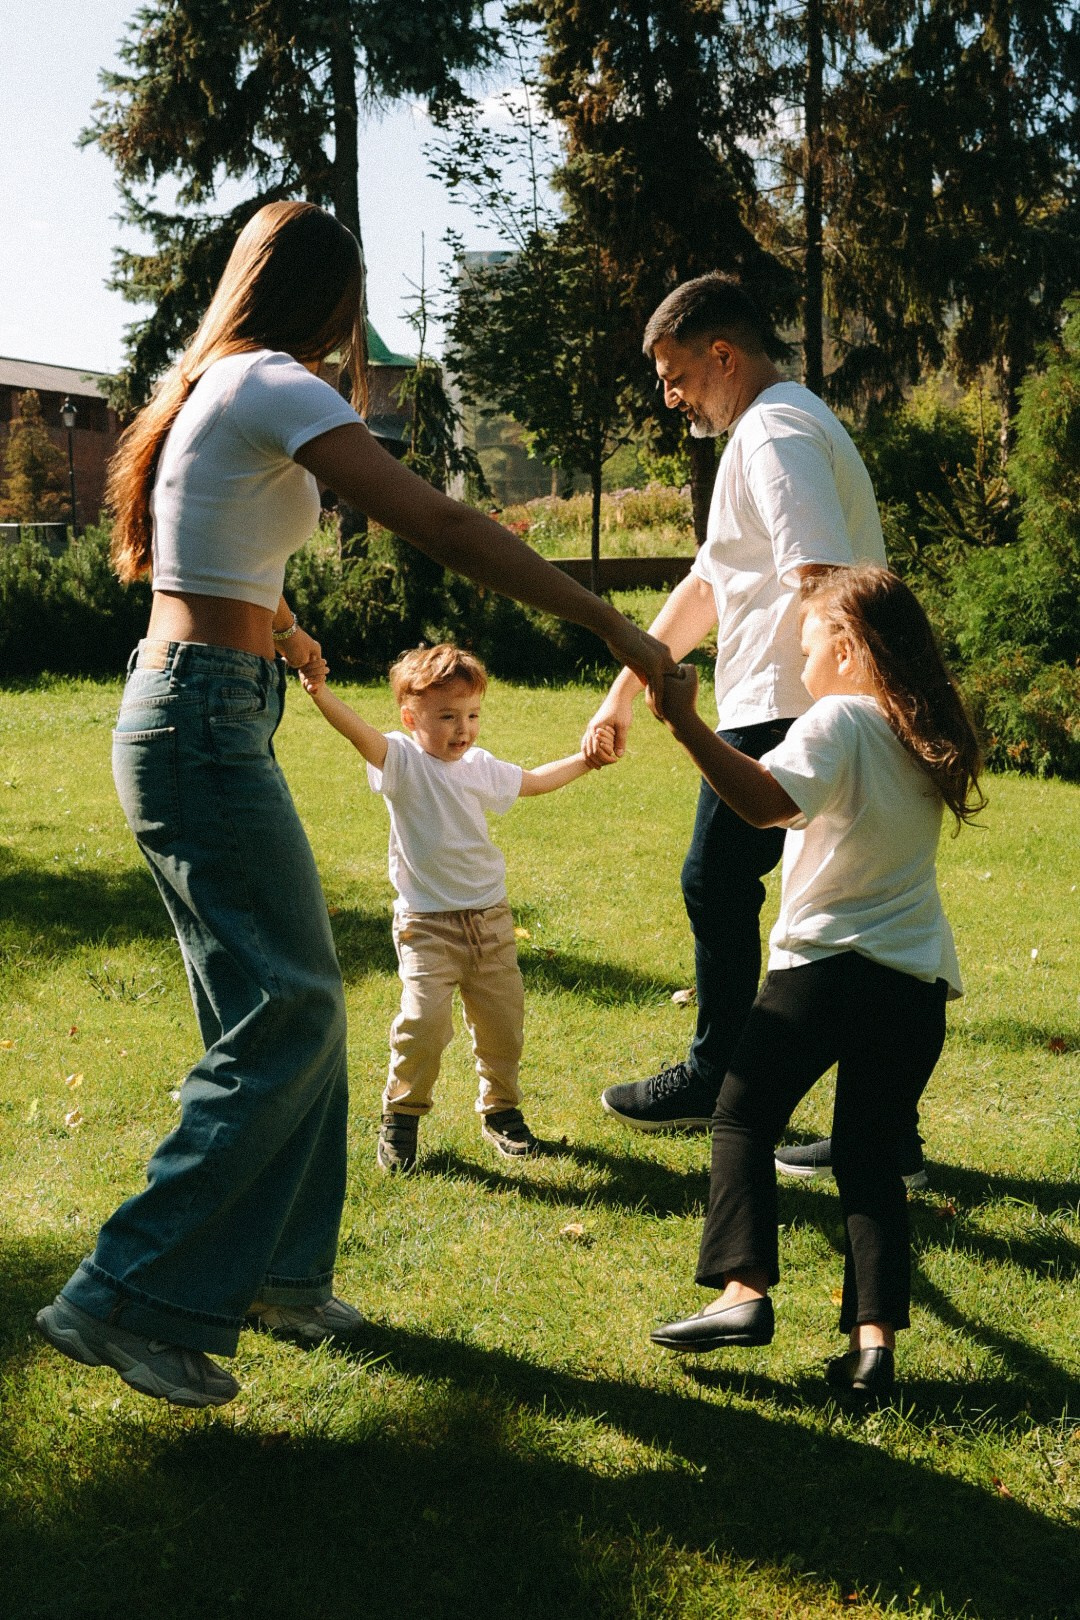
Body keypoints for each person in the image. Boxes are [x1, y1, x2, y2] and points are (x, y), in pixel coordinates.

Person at [33, 199, 672, 1409]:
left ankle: (281, 1274)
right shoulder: (271, 382)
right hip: (203, 715)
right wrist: (607, 621)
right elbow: (441, 519)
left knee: (286, 1006)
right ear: (327, 300)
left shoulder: (216, 383)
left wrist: (280, 626)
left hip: (204, 703)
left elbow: (213, 547)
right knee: (294, 1009)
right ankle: (121, 1295)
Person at [646, 566, 983, 1401]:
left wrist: (687, 725)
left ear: (849, 646)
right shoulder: (919, 735)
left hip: (829, 969)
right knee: (868, 1160)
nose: (800, 668)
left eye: (807, 648)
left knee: (740, 1115)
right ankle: (873, 1352)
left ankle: (742, 1292)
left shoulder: (840, 718)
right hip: (916, 984)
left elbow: (765, 802)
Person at [588, 273, 897, 1146]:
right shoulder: (770, 431)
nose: (670, 397)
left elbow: (822, 576)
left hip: (792, 709)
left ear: (722, 355)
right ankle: (877, 1132)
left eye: (675, 375)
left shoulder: (774, 432)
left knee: (727, 884)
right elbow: (711, 584)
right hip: (789, 707)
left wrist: (834, 717)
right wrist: (623, 690)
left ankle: (721, 1074)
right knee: (837, 911)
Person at [302, 642, 614, 1174]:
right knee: (422, 1023)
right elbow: (359, 734)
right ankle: (402, 1114)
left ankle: (502, 1110)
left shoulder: (479, 766)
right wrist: (320, 692)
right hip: (426, 926)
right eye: (447, 716)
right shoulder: (401, 760)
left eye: (472, 715)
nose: (462, 729)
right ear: (411, 718)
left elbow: (534, 781)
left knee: (502, 1027)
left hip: (490, 920)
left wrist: (586, 760)